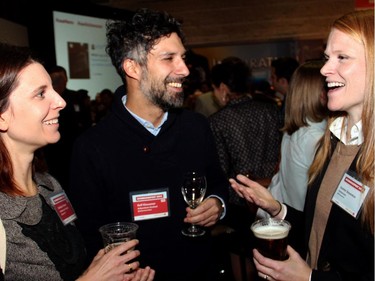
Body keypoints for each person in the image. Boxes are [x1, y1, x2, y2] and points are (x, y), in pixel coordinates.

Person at [68, 8, 228, 281]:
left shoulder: (196, 127)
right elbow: (88, 235)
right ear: (132, 67)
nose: (185, 69)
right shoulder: (92, 147)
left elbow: (217, 183)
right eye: (169, 59)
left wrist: (217, 204)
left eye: (183, 58)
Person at [229, 9, 374, 281]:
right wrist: (277, 208)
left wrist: (309, 278)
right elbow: (323, 228)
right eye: (327, 57)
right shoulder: (333, 140)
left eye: (342, 57)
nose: (324, 69)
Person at [0, 43, 155, 281]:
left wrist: (107, 274)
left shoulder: (49, 185)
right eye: (41, 94)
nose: (60, 101)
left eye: (53, 89)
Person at [208, 56, 281, 281]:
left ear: (222, 88)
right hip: (274, 195)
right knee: (272, 258)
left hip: (238, 202)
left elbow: (219, 168)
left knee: (241, 256)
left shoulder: (218, 120)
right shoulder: (271, 110)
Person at [257, 60, 329, 218]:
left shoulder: (295, 131)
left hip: (292, 218)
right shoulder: (315, 138)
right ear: (321, 93)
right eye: (329, 85)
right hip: (305, 223)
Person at [43, 65, 92, 193]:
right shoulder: (45, 100)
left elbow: (87, 122)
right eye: (54, 79)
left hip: (76, 150)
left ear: (66, 79)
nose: (57, 82)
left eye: (60, 78)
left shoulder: (77, 97)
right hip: (54, 153)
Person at [270, 57, 299, 123]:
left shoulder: (292, 104)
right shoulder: (292, 99)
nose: (271, 80)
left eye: (273, 77)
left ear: (283, 81)